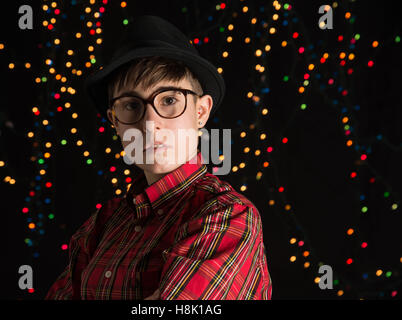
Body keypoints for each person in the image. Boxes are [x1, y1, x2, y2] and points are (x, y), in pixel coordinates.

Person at [45, 15, 271, 300]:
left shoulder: (227, 216)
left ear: (200, 112)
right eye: (131, 105)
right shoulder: (102, 224)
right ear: (115, 122)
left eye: (169, 100)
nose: (150, 124)